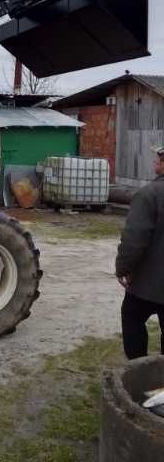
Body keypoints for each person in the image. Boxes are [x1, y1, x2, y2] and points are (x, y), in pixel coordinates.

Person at [116, 146, 164, 359]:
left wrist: (123, 269)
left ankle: (139, 370)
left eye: (158, 159)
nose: (155, 162)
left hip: (150, 283)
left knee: (132, 316)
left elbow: (134, 240)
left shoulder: (149, 195)